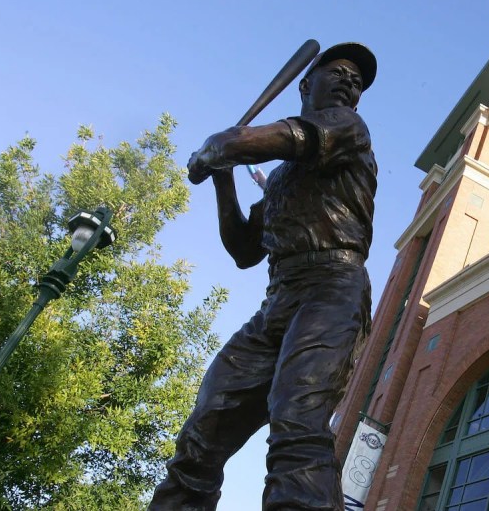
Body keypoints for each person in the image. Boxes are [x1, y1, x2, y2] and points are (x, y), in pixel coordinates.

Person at [149, 43, 377, 511]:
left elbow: (233, 144)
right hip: (278, 300)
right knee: (205, 428)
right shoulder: (280, 178)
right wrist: (222, 177)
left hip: (332, 287)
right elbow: (243, 250)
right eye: (338, 72)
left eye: (356, 82)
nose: (349, 83)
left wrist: (221, 147)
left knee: (298, 417)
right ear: (305, 84)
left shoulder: (347, 128)